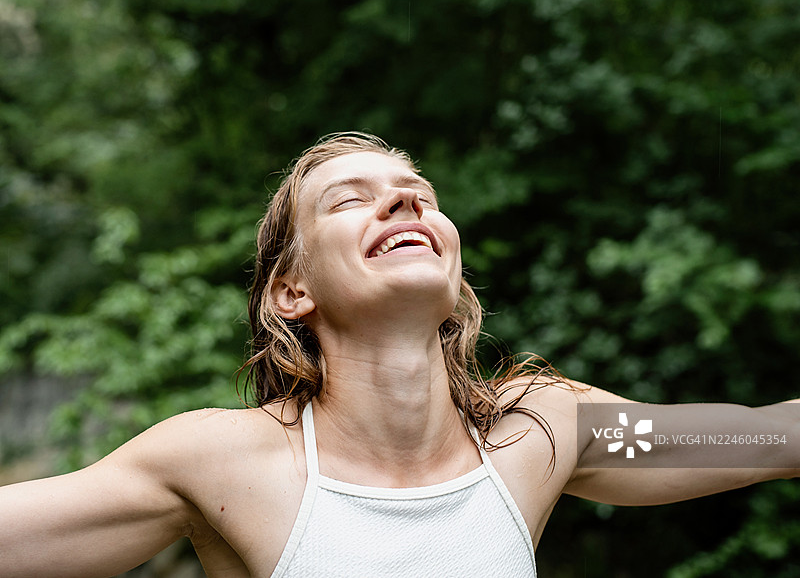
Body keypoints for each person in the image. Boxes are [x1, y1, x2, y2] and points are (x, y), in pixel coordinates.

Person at [0, 132, 797, 577]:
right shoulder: (221, 465)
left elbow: (769, 439)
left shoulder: (546, 434)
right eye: (349, 199)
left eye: (419, 191)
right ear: (292, 291)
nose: (407, 198)